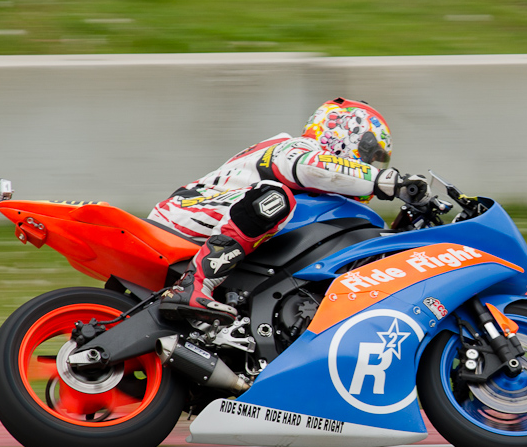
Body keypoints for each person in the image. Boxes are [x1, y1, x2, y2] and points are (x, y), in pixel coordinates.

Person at [148, 97, 429, 322]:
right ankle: (193, 284)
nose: (371, 164)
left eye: (377, 162)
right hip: (182, 214)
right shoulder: (296, 148)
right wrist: (384, 181)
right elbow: (311, 168)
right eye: (371, 154)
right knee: (275, 198)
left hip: (208, 221)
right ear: (346, 133)